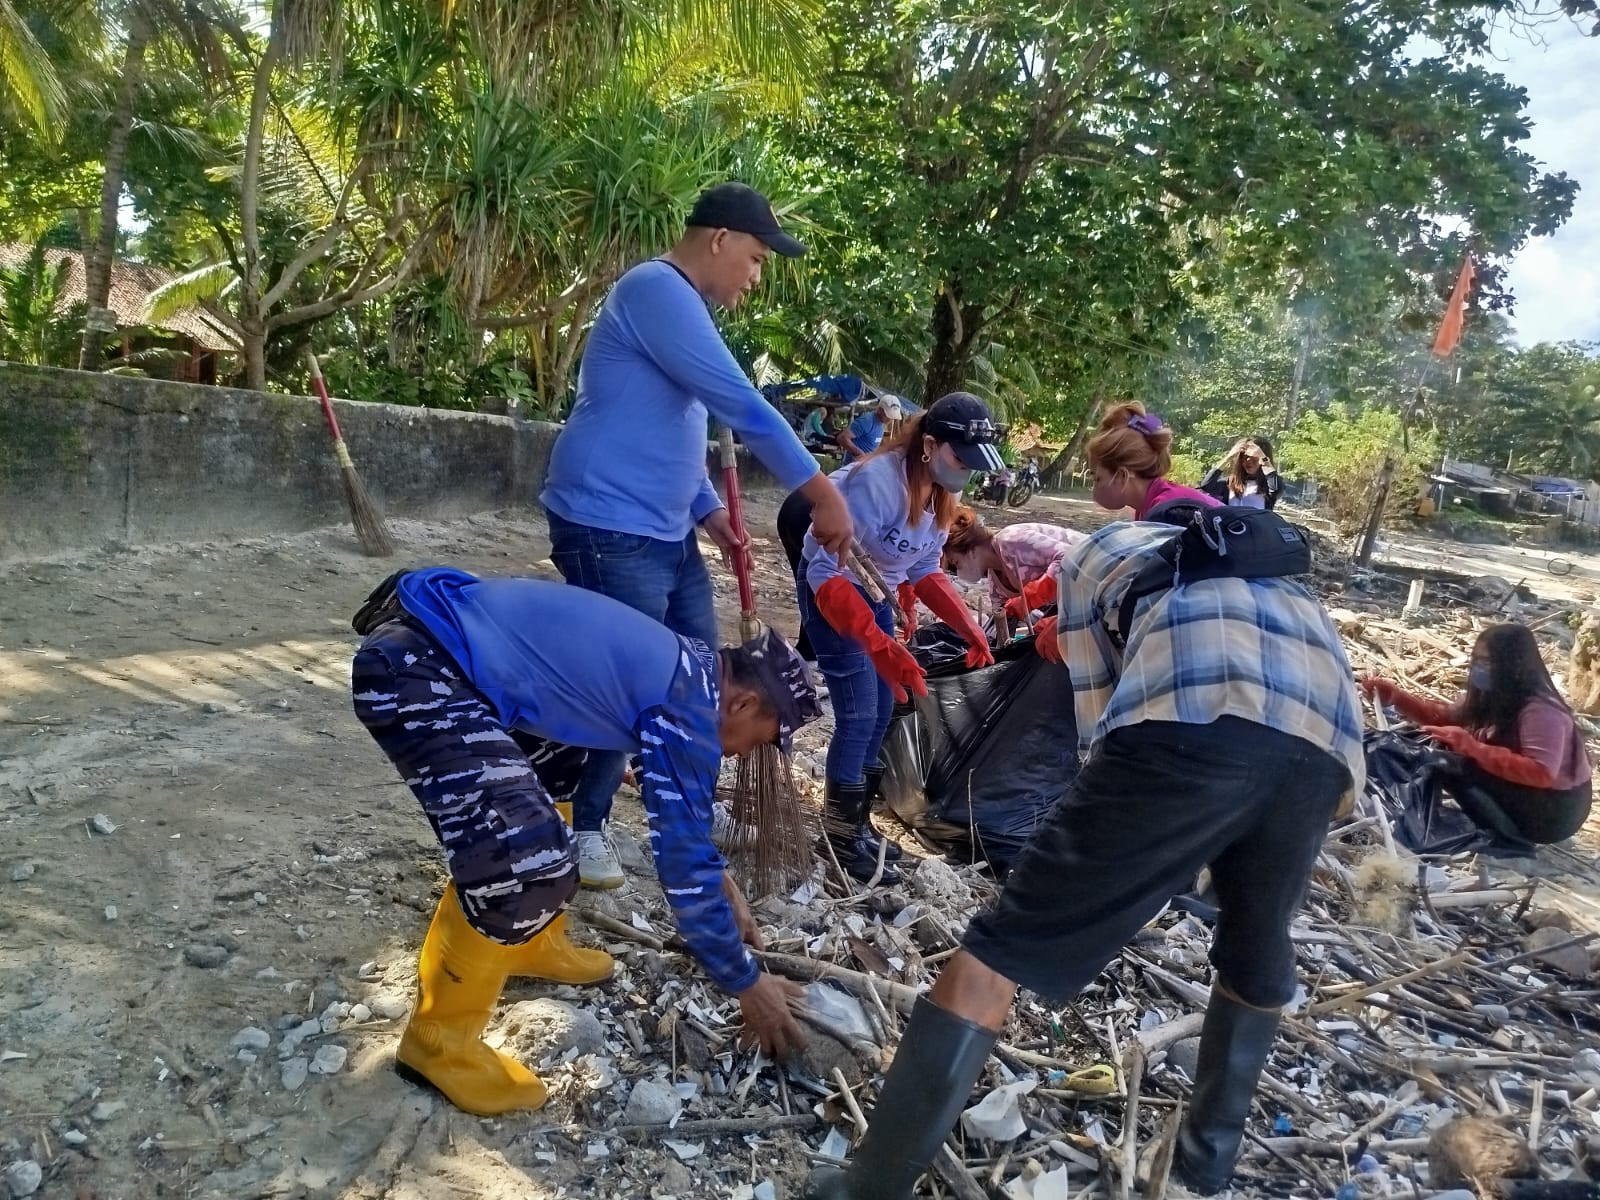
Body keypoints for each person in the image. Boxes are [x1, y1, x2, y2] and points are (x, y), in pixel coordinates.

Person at [803, 512, 1365, 1200]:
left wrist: (1120, 836)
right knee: (1256, 945)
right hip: (1327, 746)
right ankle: (1205, 1163)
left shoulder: (1094, 559)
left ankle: (869, 1186)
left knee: (1002, 947)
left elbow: (1101, 718)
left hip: (1191, 729)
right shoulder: (1272, 587)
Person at [351, 567, 820, 1117]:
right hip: (419, 671)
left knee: (568, 766)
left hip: (446, 653)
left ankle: (530, 939)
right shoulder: (691, 708)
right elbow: (681, 872)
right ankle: (438, 1043)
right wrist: (747, 984)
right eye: (759, 741)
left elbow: (677, 813)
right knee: (528, 864)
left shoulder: (689, 670)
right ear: (741, 705)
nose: (743, 756)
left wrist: (721, 880)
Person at [539, 181, 855, 890]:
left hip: (664, 526)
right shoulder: (656, 289)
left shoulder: (681, 306)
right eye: (755, 257)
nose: (755, 274)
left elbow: (667, 422)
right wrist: (823, 490)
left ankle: (678, 801)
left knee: (696, 676)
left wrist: (707, 504)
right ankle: (582, 824)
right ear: (718, 239)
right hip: (607, 522)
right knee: (627, 681)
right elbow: (740, 405)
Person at [797, 392, 1006, 884]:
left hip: (876, 592)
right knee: (860, 711)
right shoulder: (877, 482)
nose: (966, 472)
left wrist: (967, 625)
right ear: (929, 445)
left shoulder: (938, 492)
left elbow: (922, 566)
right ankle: (840, 840)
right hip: (835, 589)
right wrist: (875, 640)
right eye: (960, 458)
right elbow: (826, 571)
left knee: (887, 707)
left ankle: (857, 824)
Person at [1362, 623, 1592, 846]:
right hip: (1525, 792)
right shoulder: (1491, 695)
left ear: (1515, 666)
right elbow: (1443, 719)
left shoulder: (1542, 712)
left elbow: (1541, 772)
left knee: (1444, 759)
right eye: (1477, 661)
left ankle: (1506, 835)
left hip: (1551, 812)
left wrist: (1471, 746)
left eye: (1487, 662)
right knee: (1426, 743)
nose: (1479, 669)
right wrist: (1397, 698)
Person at [941, 507, 1085, 621]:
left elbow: (1070, 557)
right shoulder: (996, 584)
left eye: (957, 563)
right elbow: (1002, 616)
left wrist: (1031, 598)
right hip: (1078, 600)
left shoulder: (1011, 540)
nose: (959, 571)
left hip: (1098, 569)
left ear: (971, 551)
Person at [1087, 402, 1219, 519]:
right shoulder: (1149, 505)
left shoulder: (1167, 511)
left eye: (1097, 479)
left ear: (1122, 475)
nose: (1094, 490)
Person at [1199, 437, 1282, 510]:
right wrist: (1228, 457)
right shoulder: (1229, 483)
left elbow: (1276, 490)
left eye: (1254, 457)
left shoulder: (1270, 484)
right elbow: (1205, 487)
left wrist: (1263, 458)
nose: (1248, 460)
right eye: (1244, 457)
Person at [837, 394, 904, 463]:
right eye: (888, 415)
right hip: (853, 466)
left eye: (892, 417)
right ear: (880, 410)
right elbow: (842, 438)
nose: (890, 419)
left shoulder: (881, 424)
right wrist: (860, 454)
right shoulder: (867, 421)